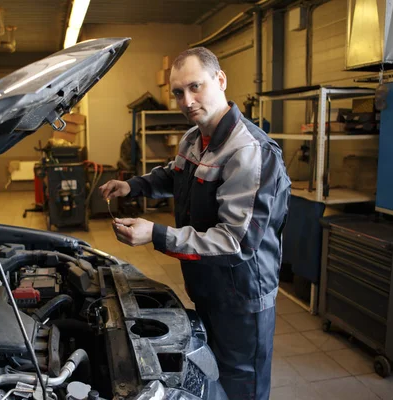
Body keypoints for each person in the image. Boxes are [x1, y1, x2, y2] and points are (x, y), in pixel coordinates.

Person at [99, 47, 291, 400]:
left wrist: (155, 234)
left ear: (220, 80)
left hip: (241, 296)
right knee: (210, 374)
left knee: (241, 384)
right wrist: (133, 185)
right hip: (208, 284)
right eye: (177, 92)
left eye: (195, 87)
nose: (186, 100)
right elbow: (175, 177)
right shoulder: (193, 137)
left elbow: (235, 243)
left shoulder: (248, 151)